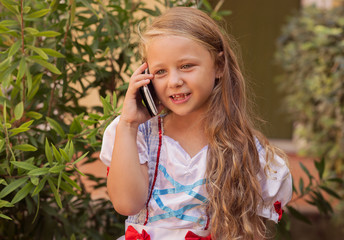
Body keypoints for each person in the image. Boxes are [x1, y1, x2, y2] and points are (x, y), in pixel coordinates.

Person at [100, 7, 292, 240]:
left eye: (186, 66)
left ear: (219, 66)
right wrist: (129, 124)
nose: (174, 81)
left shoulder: (246, 148)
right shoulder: (135, 135)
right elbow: (126, 204)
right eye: (160, 71)